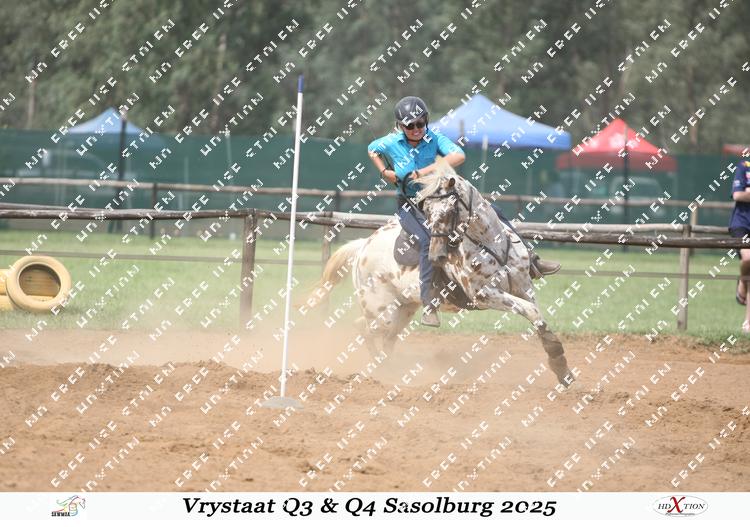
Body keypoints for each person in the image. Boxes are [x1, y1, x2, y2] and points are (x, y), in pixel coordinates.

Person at [367, 96, 560, 327]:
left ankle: (532, 261)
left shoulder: (434, 138)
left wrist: (424, 172)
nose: (416, 129)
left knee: (494, 212)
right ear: (400, 126)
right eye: (410, 125)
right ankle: (429, 304)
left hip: (441, 198)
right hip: (412, 205)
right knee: (428, 241)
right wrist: (385, 173)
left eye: (420, 123)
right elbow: (372, 149)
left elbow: (459, 155)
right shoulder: (390, 142)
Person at [730, 159, 750, 332]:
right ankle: (742, 281)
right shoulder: (744, 166)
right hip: (742, 224)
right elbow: (737, 195)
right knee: (748, 258)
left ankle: (747, 323)